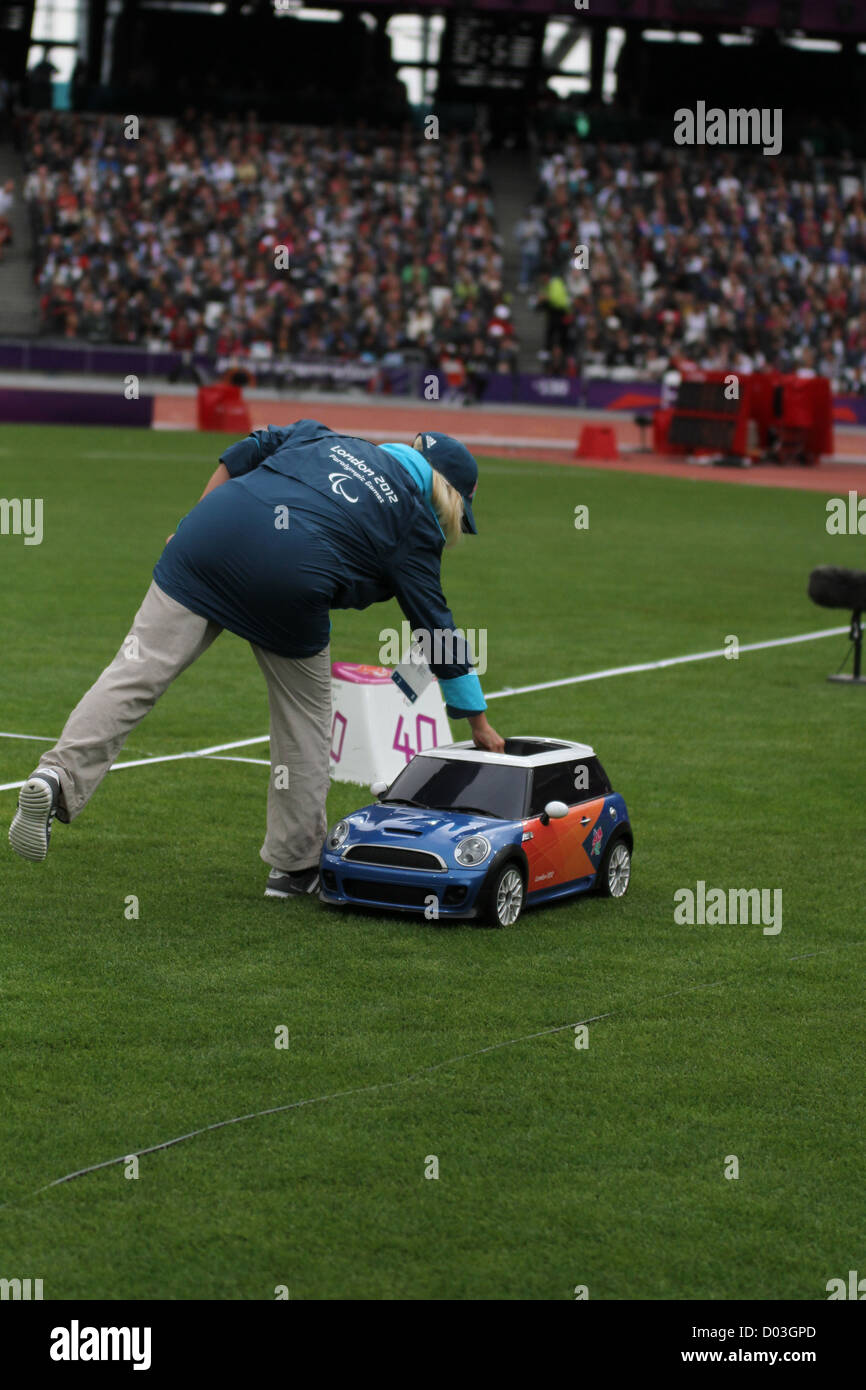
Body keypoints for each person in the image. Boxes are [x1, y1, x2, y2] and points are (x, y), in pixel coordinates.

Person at [9, 423, 506, 899]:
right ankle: (294, 867)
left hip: (208, 536)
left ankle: (56, 778)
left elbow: (244, 452)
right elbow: (436, 627)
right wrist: (478, 723)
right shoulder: (414, 523)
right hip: (289, 575)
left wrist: (190, 524)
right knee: (304, 722)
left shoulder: (323, 435)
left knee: (133, 675)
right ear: (447, 494)